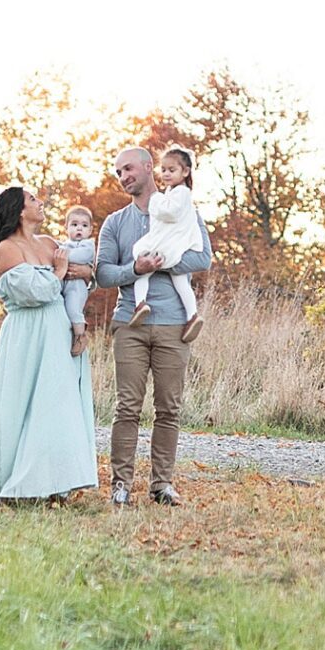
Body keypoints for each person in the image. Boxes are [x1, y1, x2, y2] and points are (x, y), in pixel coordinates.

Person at [0, 185, 98, 502]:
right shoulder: (6, 248)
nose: (40, 202)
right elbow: (36, 293)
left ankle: (54, 483)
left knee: (57, 405)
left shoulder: (49, 243)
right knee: (18, 405)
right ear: (19, 210)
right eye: (33, 199)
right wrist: (60, 272)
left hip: (58, 330)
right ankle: (10, 480)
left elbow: (84, 277)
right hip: (27, 334)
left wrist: (85, 272)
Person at [95, 144, 212, 508]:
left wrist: (162, 262)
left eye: (128, 168)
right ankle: (121, 485)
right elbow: (103, 273)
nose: (123, 177)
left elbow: (203, 258)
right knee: (127, 407)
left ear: (149, 168)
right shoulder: (115, 223)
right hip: (129, 322)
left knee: (169, 409)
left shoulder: (185, 210)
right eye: (118, 172)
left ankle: (162, 485)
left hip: (175, 325)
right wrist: (136, 269)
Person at [129, 146, 203, 339]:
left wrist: (155, 200)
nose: (166, 174)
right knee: (180, 281)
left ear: (185, 172)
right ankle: (192, 315)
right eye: (163, 170)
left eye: (172, 170)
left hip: (169, 246)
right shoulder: (173, 191)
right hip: (174, 246)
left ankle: (140, 303)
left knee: (142, 266)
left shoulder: (181, 192)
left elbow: (170, 213)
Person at [59, 203, 98, 356]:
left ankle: (80, 336)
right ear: (66, 227)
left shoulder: (88, 245)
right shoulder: (63, 244)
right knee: (64, 312)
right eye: (74, 225)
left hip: (77, 287)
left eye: (84, 225)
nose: (79, 228)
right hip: (64, 285)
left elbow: (79, 257)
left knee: (74, 310)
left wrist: (61, 256)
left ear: (90, 230)